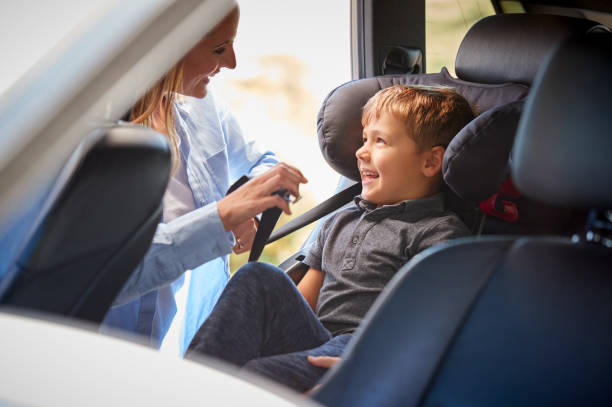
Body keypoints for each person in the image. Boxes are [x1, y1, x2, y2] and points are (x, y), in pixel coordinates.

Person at [185, 85, 474, 392]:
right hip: (320, 337)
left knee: (260, 374)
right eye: (364, 139)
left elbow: (433, 325)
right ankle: (185, 387)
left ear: (430, 162)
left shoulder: (438, 233)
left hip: (368, 350)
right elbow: (306, 304)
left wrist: (376, 363)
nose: (361, 152)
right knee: (257, 275)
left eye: (380, 141)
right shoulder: (339, 220)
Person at [102, 6, 308, 356]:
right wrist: (223, 217)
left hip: (172, 340)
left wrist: (248, 211)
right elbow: (109, 274)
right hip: (93, 347)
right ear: (167, 50)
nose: (232, 62)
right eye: (218, 49)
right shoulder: (92, 141)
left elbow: (262, 162)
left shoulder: (203, 110)